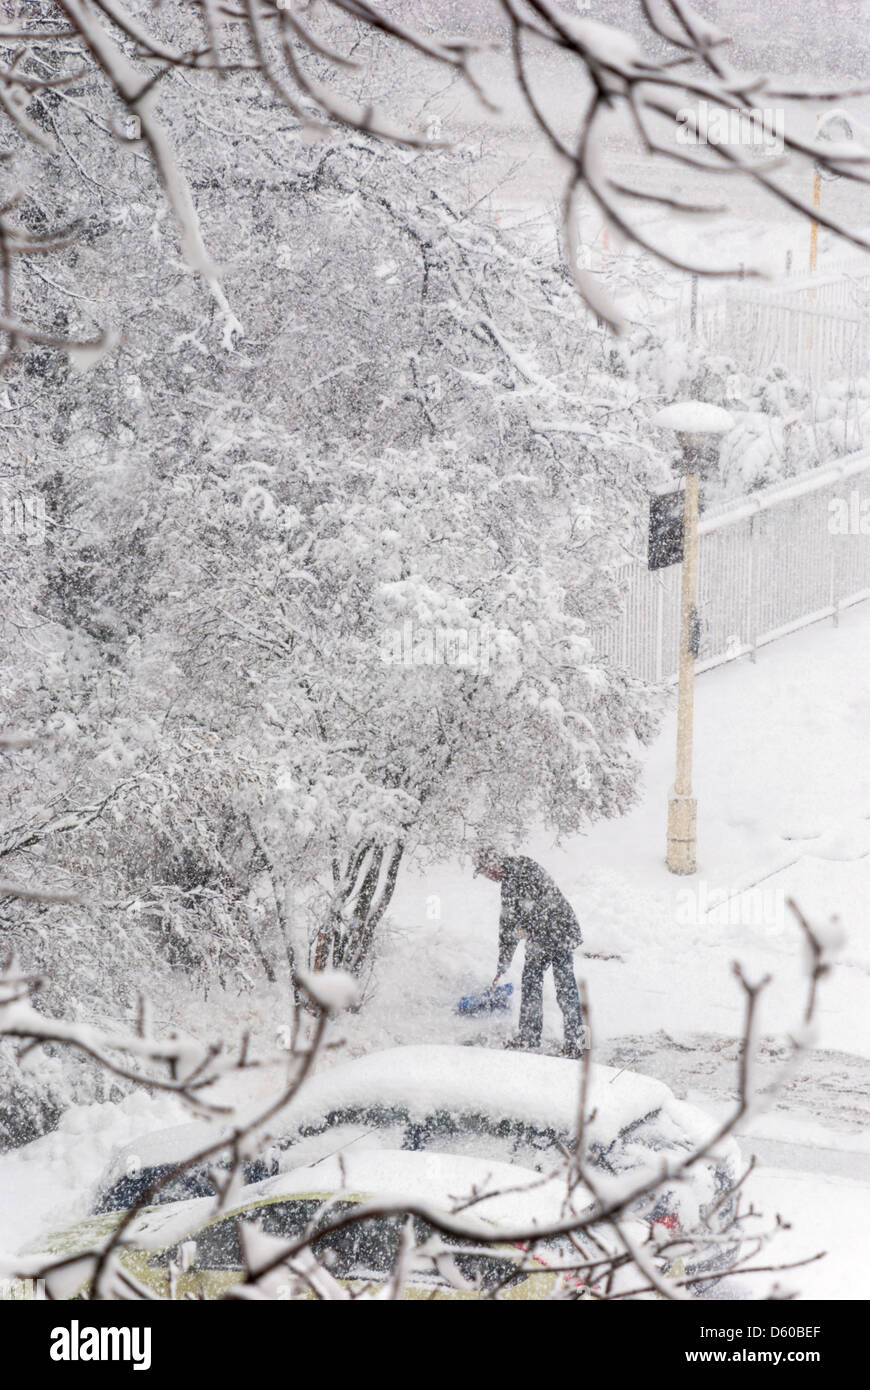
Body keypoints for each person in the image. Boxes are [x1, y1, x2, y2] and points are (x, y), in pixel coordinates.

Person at [474, 848, 585, 1057]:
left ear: (493, 864)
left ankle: (573, 1043)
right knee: (534, 983)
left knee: (563, 987)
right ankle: (530, 1036)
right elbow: (508, 922)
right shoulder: (509, 880)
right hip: (544, 935)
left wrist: (526, 926)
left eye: (484, 872)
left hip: (558, 931)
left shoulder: (521, 868)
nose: (487, 877)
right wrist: (503, 959)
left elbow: (538, 904)